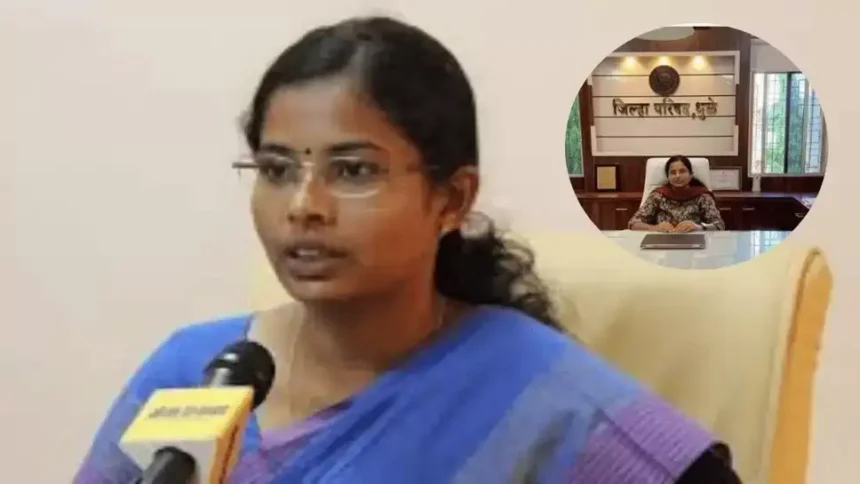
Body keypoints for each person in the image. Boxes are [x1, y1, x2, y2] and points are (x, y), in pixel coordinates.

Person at [74, 17, 741, 483]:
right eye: (276, 169)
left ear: (451, 199)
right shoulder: (194, 371)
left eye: (353, 171)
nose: (303, 205)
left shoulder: (538, 395)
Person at [629, 155, 726, 233]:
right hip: (663, 241)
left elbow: (719, 225)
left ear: (691, 175)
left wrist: (698, 228)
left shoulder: (702, 196)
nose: (677, 176)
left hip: (694, 241)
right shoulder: (658, 195)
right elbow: (633, 224)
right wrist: (655, 228)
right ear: (668, 177)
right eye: (673, 172)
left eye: (682, 171)